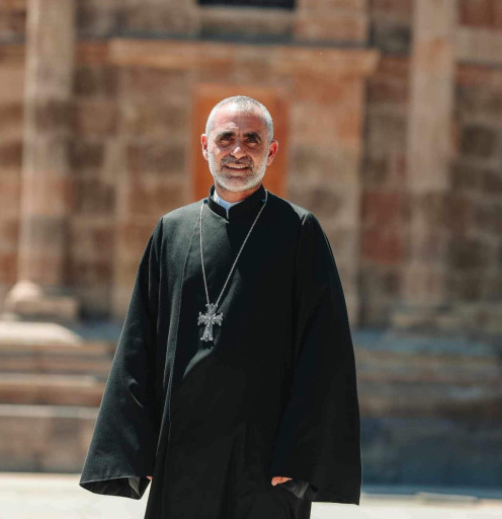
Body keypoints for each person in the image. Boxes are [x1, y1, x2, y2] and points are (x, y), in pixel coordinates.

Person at [79, 95, 362, 519]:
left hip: (264, 456)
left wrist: (300, 454)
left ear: (271, 151)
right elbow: (139, 342)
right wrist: (137, 447)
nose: (238, 151)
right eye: (226, 138)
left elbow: (324, 350)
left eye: (252, 140)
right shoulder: (172, 231)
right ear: (204, 146)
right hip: (182, 449)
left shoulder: (298, 231)